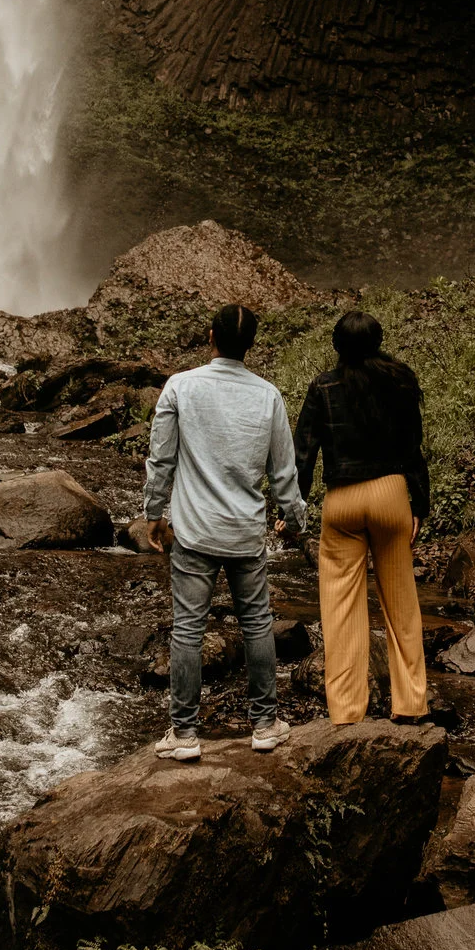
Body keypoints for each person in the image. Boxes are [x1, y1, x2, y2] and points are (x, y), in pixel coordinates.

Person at [135, 302, 307, 761]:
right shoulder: (268, 396)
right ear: (251, 345)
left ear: (210, 336)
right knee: (257, 625)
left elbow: (161, 458)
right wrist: (294, 519)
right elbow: (284, 472)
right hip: (245, 533)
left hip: (194, 531)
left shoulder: (180, 386)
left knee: (188, 630)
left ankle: (185, 733)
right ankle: (265, 725)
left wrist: (154, 511)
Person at [295, 310, 430, 726]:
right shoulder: (400, 381)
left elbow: (304, 452)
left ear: (337, 346)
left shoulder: (323, 387)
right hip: (392, 495)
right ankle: (410, 704)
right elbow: (413, 448)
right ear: (378, 341)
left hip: (343, 501)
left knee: (340, 610)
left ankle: (347, 711)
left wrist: (293, 505)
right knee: (401, 605)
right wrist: (419, 506)